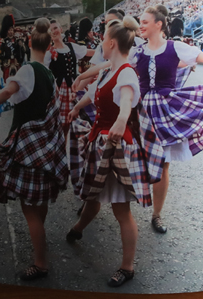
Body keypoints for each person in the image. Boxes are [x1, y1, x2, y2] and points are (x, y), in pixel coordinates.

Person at [78, 5, 203, 234]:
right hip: (140, 111)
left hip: (164, 111)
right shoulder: (137, 51)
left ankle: (157, 214)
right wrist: (84, 75)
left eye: (145, 22)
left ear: (158, 24)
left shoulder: (175, 47)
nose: (140, 25)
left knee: (163, 163)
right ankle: (96, 198)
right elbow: (112, 65)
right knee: (122, 155)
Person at [65, 16, 165, 287]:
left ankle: (127, 267)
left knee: (121, 210)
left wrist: (121, 120)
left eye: (103, 39)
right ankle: (77, 229)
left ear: (111, 43)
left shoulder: (126, 73)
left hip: (117, 146)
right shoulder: (111, 69)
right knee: (93, 196)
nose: (100, 43)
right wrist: (77, 107)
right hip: (102, 141)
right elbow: (95, 92)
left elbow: (127, 99)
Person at [0, 20, 68, 281]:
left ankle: (41, 263)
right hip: (44, 147)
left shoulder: (28, 70)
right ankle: (40, 240)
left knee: (29, 209)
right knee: (39, 203)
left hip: (27, 147)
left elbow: (7, 92)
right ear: (49, 47)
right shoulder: (48, 74)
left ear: (29, 42)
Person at [45, 19, 93, 134]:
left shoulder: (71, 46)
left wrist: (107, 51)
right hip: (59, 89)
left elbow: (88, 52)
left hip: (75, 86)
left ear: (61, 29)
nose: (54, 31)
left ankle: (76, 144)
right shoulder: (49, 53)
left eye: (55, 28)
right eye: (51, 30)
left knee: (81, 118)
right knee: (62, 123)